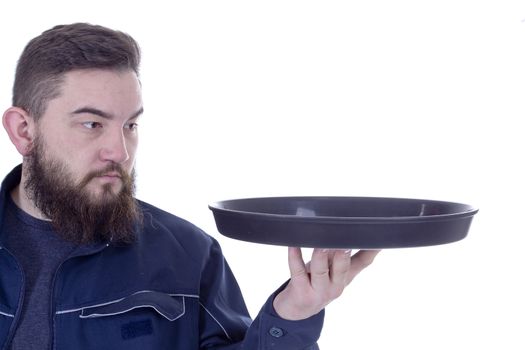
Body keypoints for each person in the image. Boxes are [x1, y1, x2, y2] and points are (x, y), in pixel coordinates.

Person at [0, 23, 380, 349]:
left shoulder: (187, 254)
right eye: (92, 124)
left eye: (130, 125)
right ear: (23, 130)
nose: (119, 151)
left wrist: (293, 314)